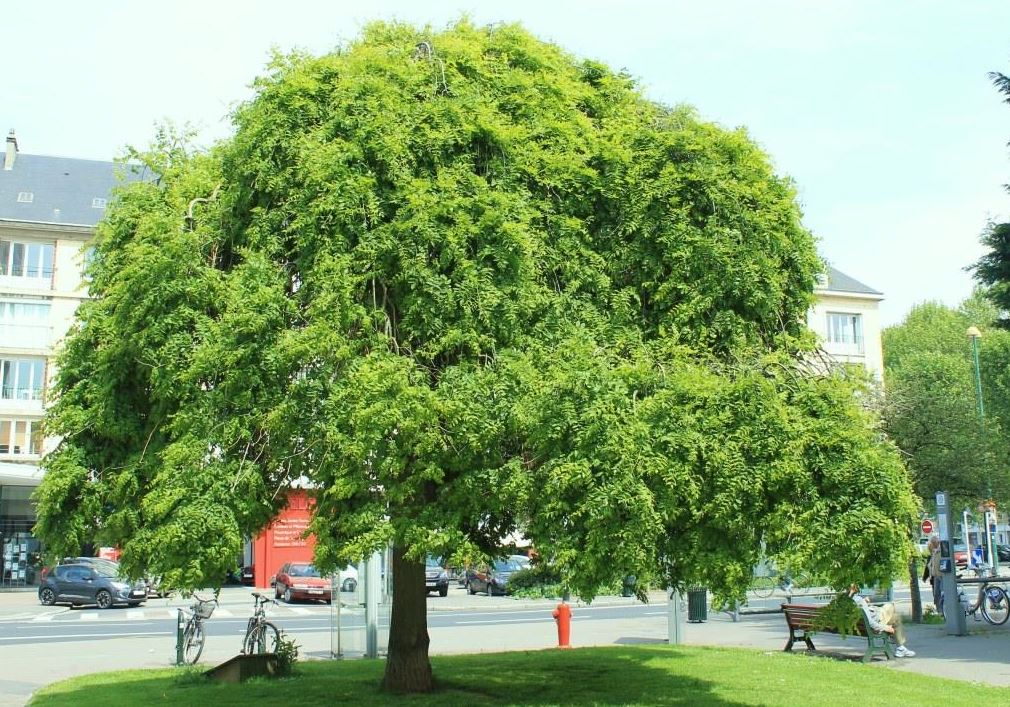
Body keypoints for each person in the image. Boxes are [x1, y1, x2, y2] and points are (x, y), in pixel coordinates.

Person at [848, 584, 915, 658]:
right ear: (854, 588)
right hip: (876, 623)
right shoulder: (859, 600)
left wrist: (864, 602)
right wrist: (886, 628)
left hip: (862, 626)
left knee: (895, 617)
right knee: (891, 606)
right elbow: (871, 623)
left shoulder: (846, 601)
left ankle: (900, 647)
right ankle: (898, 644)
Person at [926, 535, 942, 612]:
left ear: (935, 543)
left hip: (941, 575)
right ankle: (939, 610)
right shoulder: (934, 552)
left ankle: (942, 610)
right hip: (935, 576)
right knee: (936, 594)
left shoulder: (940, 550)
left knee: (940, 593)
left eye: (932, 544)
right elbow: (931, 563)